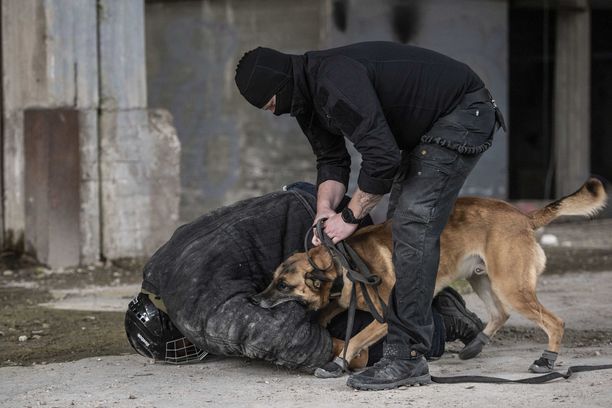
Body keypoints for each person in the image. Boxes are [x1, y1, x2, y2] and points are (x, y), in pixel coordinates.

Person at [234, 42, 505, 390]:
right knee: (397, 231)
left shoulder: (334, 80)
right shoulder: (305, 101)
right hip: (425, 129)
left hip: (463, 113)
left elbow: (383, 159)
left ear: (280, 86)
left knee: (412, 225)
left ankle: (406, 356)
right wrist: (324, 213)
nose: (273, 113)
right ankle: (441, 315)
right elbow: (331, 160)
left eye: (271, 104)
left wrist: (350, 216)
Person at [124, 183, 483, 372]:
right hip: (305, 202)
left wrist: (344, 353)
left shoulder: (201, 316)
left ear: (177, 327)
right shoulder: (159, 268)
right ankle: (429, 296)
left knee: (366, 337)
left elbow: (291, 339)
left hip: (323, 244)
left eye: (181, 345)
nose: (190, 346)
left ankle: (438, 322)